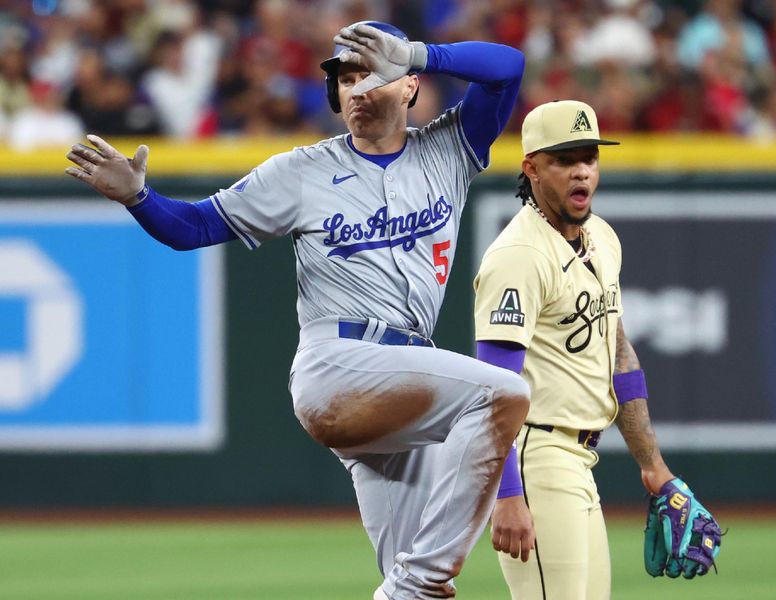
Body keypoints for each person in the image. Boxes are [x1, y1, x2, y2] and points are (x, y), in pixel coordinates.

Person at [65, 21, 530, 600]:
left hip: (402, 390)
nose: (355, 90)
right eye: (345, 79)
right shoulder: (302, 170)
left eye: (370, 73)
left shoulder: (448, 150)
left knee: (414, 598)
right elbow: (193, 228)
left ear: (411, 85)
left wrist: (417, 52)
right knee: (505, 394)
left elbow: (509, 66)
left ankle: (415, 585)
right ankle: (423, 576)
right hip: (337, 365)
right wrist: (139, 198)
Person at [473, 100, 721, 599]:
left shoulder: (602, 239)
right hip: (533, 458)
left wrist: (654, 467)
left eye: (589, 157)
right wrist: (506, 495)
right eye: (565, 159)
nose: (581, 170)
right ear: (532, 168)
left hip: (582, 462)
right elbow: (490, 388)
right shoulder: (519, 255)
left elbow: (619, 356)